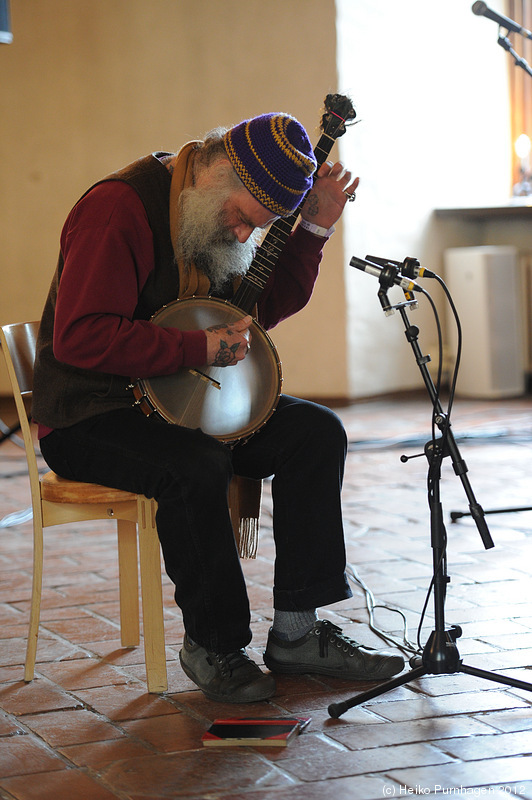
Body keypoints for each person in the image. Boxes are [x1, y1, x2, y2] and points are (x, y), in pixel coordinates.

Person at [32, 112, 404, 703]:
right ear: (217, 171)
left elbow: (256, 310)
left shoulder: (207, 213)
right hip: (90, 410)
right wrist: (193, 347)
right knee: (194, 464)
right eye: (240, 219)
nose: (239, 235)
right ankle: (217, 646)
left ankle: (296, 634)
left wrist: (313, 232)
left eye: (251, 228)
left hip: (182, 398)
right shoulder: (120, 208)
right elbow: (79, 335)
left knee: (315, 431)